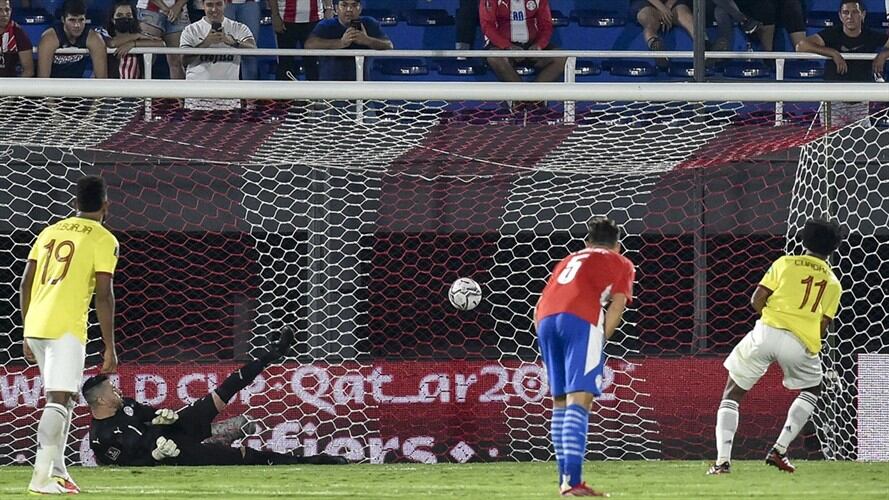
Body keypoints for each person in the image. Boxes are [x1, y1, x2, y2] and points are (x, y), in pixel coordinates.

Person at [83, 326, 347, 467]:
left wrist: (163, 415)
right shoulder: (101, 438)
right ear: (101, 401)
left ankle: (274, 353)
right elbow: (126, 464)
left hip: (175, 429)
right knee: (242, 456)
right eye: (112, 390)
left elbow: (150, 416)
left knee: (223, 391)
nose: (118, 391)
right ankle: (311, 461)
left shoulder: (126, 406)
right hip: (172, 452)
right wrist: (155, 457)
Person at [707, 218, 843, 475]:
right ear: (833, 248)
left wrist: (771, 321)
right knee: (813, 387)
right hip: (800, 342)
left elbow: (756, 299)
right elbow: (823, 326)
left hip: (766, 332)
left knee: (732, 393)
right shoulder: (834, 283)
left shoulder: (785, 264)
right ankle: (779, 450)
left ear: (804, 239)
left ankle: (722, 463)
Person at [21, 175, 119, 495]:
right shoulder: (104, 239)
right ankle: (40, 477)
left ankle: (59, 471)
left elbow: (25, 284)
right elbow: (103, 295)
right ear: (106, 205)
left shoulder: (49, 231)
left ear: (75, 204)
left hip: (36, 324)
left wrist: (26, 332)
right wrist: (110, 347)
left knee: (68, 398)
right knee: (58, 399)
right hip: (65, 328)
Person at [535, 217, 635, 497]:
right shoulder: (622, 262)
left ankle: (564, 482)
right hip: (580, 320)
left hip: (545, 320)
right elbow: (616, 306)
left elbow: (539, 302)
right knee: (580, 399)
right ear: (616, 245)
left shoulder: (569, 259)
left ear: (587, 243)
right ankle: (574, 482)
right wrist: (598, 340)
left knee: (559, 401)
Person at [179, 0, 256, 109]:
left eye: (218, 4)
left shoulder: (238, 28)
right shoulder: (191, 30)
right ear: (203, 5)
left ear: (225, 4)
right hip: (197, 101)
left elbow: (253, 51)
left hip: (229, 101)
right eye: (210, 5)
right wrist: (205, 43)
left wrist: (233, 42)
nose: (214, 9)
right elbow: (183, 60)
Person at [797, 0, 889, 82]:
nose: (850, 16)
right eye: (846, 12)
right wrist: (833, 53)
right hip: (833, 94)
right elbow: (801, 46)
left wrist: (884, 55)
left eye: (855, 12)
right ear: (840, 16)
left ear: (863, 15)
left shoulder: (871, 35)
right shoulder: (832, 34)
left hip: (863, 94)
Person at [479, 0, 566, 84]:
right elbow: (487, 25)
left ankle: (532, 96)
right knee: (495, 58)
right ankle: (522, 97)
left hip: (532, 45)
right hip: (502, 47)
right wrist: (507, 46)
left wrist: (539, 45)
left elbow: (546, 24)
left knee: (561, 58)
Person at [304, 0, 393, 81]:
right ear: (336, 8)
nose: (349, 9)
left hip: (362, 87)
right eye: (344, 5)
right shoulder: (326, 25)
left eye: (354, 5)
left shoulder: (369, 23)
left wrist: (367, 40)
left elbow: (388, 45)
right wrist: (341, 43)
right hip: (330, 89)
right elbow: (309, 44)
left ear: (360, 8)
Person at [37, 0, 107, 78]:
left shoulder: (94, 38)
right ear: (63, 20)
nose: (77, 25)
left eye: (81, 20)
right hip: (54, 85)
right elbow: (43, 79)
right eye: (72, 20)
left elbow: (102, 78)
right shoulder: (49, 38)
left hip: (79, 85)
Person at [269, 0, 333, 80]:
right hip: (285, 20)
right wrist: (275, 15)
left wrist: (329, 8)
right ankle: (284, 91)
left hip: (315, 18)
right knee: (285, 64)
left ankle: (315, 91)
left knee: (314, 64)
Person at [101, 0, 164, 79]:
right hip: (111, 87)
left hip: (135, 87)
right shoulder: (104, 32)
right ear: (112, 19)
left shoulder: (139, 37)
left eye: (128, 15)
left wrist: (133, 44)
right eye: (119, 15)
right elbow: (111, 43)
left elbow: (161, 44)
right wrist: (135, 36)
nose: (125, 18)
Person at [630, 0, 698, 70]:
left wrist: (668, 7)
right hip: (646, 3)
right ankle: (655, 44)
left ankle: (704, 44)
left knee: (686, 16)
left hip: (673, 3)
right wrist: (662, 8)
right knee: (649, 21)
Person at [137, 0, 190, 78]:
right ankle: (139, 89)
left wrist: (178, 5)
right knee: (146, 60)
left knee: (178, 61)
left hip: (179, 11)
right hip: (149, 9)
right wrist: (165, 8)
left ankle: (178, 90)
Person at [223, 0, 262, 80]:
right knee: (224, 50)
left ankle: (250, 90)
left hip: (250, 3)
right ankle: (225, 89)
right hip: (224, 4)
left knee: (250, 51)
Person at [0, 0, 35, 77]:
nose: (4, 14)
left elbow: (28, 71)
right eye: (0, 10)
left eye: (7, 10)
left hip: (10, 85)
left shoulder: (18, 33)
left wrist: (15, 88)